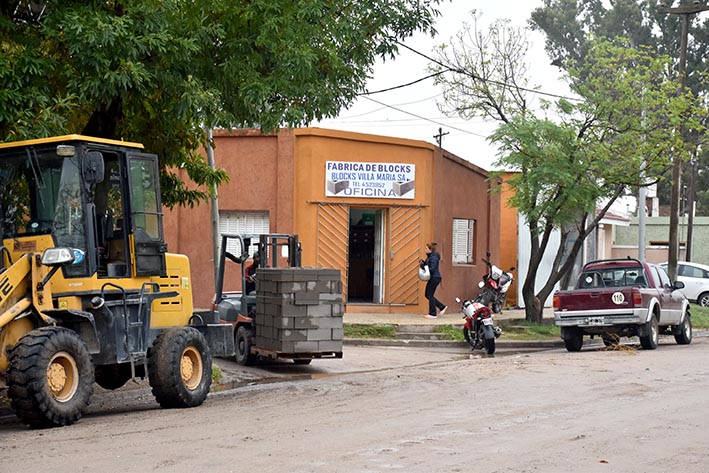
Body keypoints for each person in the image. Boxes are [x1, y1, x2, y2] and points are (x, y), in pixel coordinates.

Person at [421, 242, 447, 318]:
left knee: (430, 295)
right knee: (427, 295)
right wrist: (423, 265)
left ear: (430, 249)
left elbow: (432, 268)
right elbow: (427, 267)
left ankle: (432, 313)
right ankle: (441, 306)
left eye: (426, 248)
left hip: (435, 277)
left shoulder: (434, 258)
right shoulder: (429, 257)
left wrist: (425, 266)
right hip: (432, 277)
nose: (425, 250)